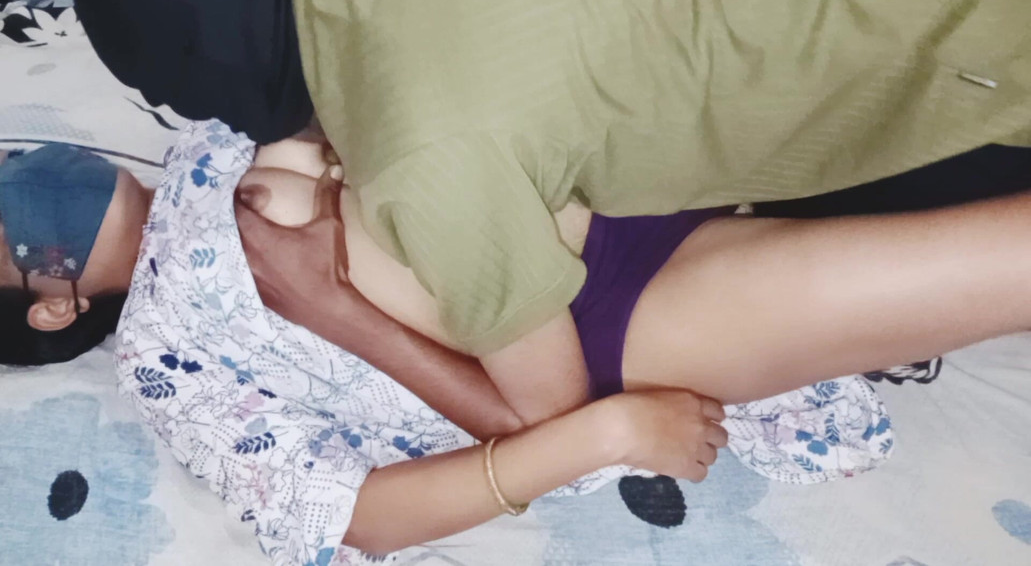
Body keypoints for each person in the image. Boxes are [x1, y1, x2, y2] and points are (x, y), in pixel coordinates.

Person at [2, 121, 1029, 563]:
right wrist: (595, 438)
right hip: (622, 309)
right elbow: (351, 515)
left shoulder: (203, 129)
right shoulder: (163, 361)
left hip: (619, 148)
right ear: (51, 307)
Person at [71, 0, 1031, 430]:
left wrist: (332, 305)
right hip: (625, 273)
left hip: (949, 54)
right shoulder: (167, 359)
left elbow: (550, 410)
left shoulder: (417, 153)